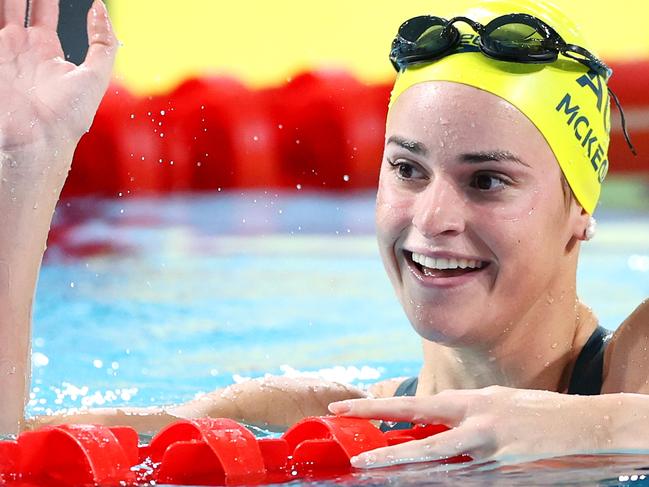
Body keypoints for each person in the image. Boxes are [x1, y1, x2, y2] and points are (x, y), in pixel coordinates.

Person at [2, 0, 649, 469]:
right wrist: (28, 168)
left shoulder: (631, 372)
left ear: (579, 210)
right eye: (406, 169)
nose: (429, 219)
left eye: (486, 181)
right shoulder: (307, 418)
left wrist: (573, 423)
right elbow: (16, 447)